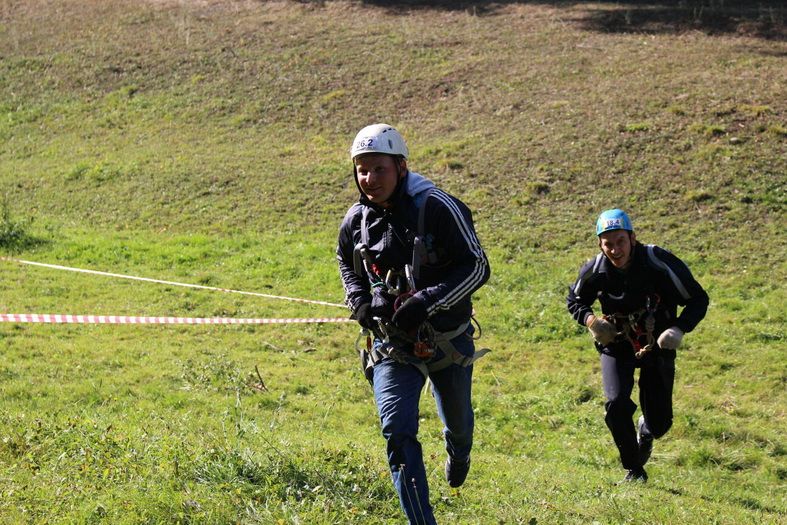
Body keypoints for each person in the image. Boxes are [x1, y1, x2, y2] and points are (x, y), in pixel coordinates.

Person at [336, 123, 490, 524]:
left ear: (401, 166)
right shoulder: (357, 219)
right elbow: (345, 262)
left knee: (459, 424)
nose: (369, 179)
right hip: (391, 346)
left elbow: (478, 267)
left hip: (448, 342)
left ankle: (459, 451)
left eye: (379, 169)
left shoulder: (437, 206)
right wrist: (359, 300)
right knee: (397, 431)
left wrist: (426, 300)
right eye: (362, 170)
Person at [566, 209, 708, 483]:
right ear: (599, 244)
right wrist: (592, 320)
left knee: (660, 422)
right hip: (617, 344)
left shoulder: (658, 261)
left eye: (620, 241)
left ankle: (647, 428)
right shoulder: (595, 269)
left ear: (632, 237)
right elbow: (575, 300)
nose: (615, 249)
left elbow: (698, 298)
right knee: (616, 405)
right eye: (608, 243)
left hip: (657, 345)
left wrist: (679, 328)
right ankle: (634, 469)